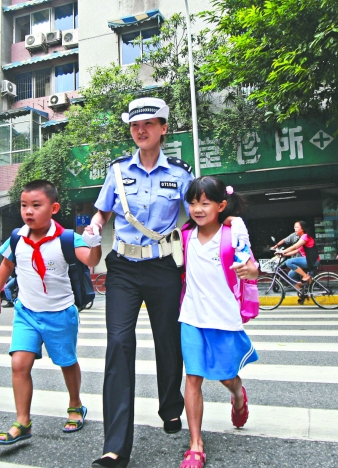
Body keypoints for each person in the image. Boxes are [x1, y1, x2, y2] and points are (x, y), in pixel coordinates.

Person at [87, 98, 248, 468]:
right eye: (134, 126)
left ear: (163, 128)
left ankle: (171, 406)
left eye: (148, 124)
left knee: (169, 341)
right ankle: (115, 446)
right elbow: (103, 211)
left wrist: (234, 241)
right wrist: (95, 226)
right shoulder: (117, 171)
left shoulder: (179, 173)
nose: (140, 131)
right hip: (124, 267)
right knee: (119, 345)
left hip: (163, 266)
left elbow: (199, 214)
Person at [0, 180, 101, 445]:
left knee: (66, 362)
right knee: (19, 364)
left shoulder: (66, 238)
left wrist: (95, 243)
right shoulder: (17, 237)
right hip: (27, 313)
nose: (28, 211)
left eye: (36, 206)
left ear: (53, 208)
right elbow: (7, 265)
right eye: (24, 205)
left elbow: (92, 261)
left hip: (60, 313)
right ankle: (22, 421)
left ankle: (75, 405)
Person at [179, 176, 259, 468]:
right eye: (192, 203)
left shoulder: (233, 229)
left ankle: (238, 395)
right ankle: (195, 444)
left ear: (221, 205)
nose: (198, 209)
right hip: (190, 316)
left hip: (223, 316)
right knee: (193, 377)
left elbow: (250, 266)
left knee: (226, 376)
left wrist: (249, 270)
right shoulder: (184, 235)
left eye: (205, 203)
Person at [280, 221, 321, 303]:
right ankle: (302, 292)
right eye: (294, 227)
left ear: (302, 229)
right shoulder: (302, 238)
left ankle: (305, 276)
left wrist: (283, 251)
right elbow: (296, 250)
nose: (295, 229)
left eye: (297, 227)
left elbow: (295, 246)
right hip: (307, 260)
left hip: (312, 260)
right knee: (290, 275)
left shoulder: (305, 236)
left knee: (289, 262)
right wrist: (284, 254)